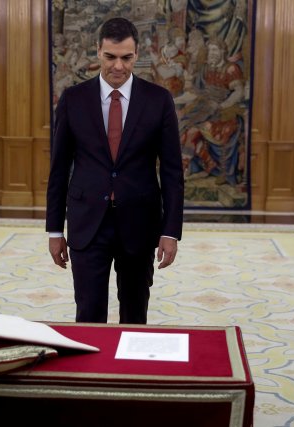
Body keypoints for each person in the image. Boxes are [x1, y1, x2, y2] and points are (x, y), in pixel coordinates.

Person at [46, 17, 184, 325]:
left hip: (139, 223)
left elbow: (173, 172)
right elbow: (58, 170)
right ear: (98, 52)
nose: (118, 66)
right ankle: (90, 373)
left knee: (135, 316)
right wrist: (55, 230)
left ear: (137, 55)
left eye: (126, 57)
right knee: (89, 315)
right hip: (87, 224)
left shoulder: (159, 101)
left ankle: (129, 372)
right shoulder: (73, 100)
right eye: (110, 56)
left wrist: (170, 231)